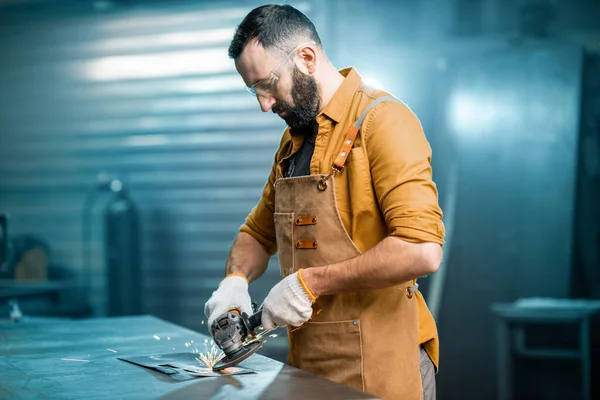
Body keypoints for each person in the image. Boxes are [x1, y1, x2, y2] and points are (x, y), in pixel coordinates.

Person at [204, 4, 444, 400]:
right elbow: (256, 233)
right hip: (311, 366)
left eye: (267, 84)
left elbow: (421, 250)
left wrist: (309, 283)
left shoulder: (382, 121)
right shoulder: (294, 140)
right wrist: (234, 281)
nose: (264, 105)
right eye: (254, 91)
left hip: (384, 362)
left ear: (307, 58)